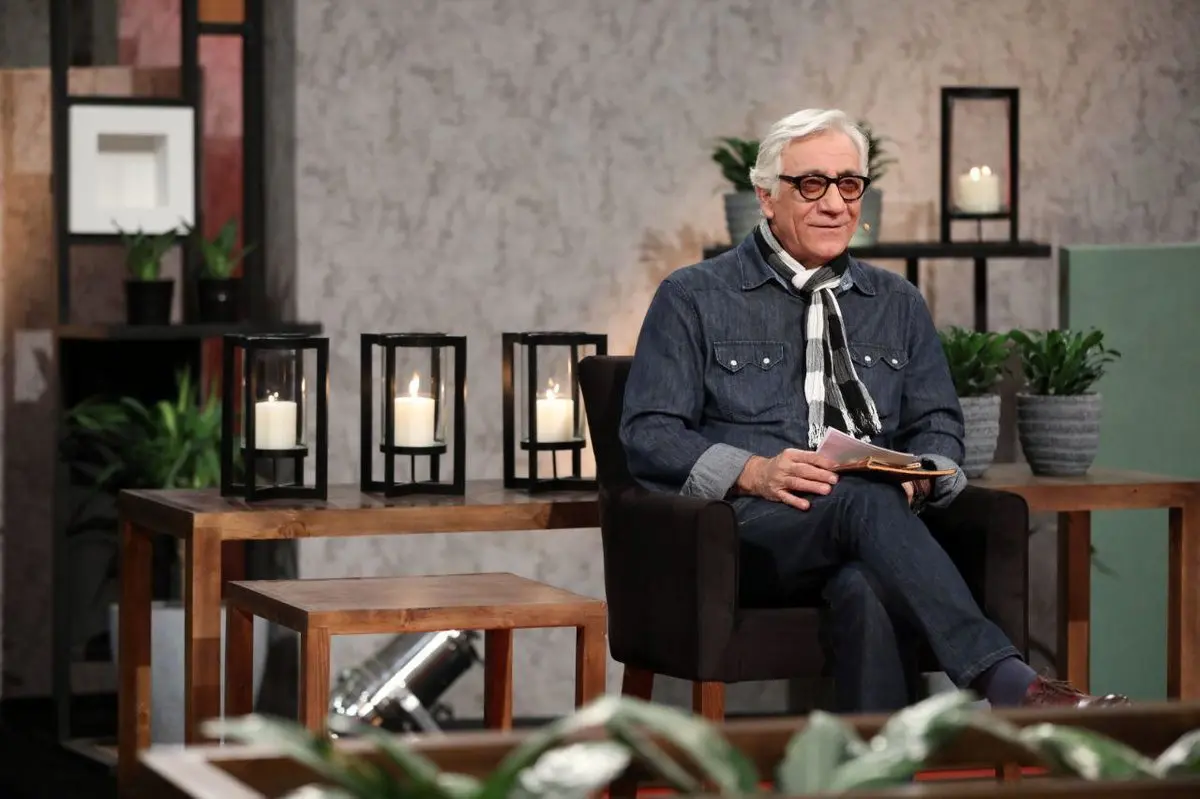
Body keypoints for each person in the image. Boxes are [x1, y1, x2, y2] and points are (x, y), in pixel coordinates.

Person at [619, 108, 1128, 712]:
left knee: (865, 584)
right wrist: (756, 472)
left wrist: (921, 473)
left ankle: (878, 762)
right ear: (766, 196)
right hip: (744, 535)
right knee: (861, 500)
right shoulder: (693, 296)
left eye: (849, 184)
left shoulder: (897, 302)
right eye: (812, 184)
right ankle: (1011, 686)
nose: (835, 204)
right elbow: (649, 432)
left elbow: (939, 424)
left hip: (871, 525)